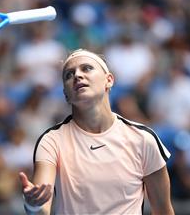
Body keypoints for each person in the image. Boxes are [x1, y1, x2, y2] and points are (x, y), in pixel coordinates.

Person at [19, 49, 174, 214]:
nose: (77, 75)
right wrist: (33, 205)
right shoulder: (51, 141)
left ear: (109, 80)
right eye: (69, 75)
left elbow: (163, 210)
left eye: (86, 68)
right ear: (66, 94)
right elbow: (42, 206)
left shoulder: (143, 139)